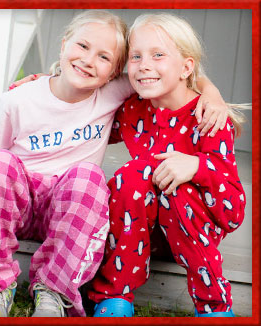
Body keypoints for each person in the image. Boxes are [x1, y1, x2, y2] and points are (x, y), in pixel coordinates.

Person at [0, 10, 228, 318]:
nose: (89, 60)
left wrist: (213, 94)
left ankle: (53, 292)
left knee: (88, 176)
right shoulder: (18, 100)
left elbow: (171, 70)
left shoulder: (111, 93)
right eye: (82, 46)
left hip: (67, 212)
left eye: (104, 57)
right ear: (63, 46)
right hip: (18, 205)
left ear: (115, 72)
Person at [88, 13, 246, 317]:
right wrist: (48, 85)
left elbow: (233, 213)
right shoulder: (132, 109)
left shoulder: (209, 118)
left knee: (177, 187)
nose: (144, 65)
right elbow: (84, 112)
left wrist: (197, 167)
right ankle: (115, 297)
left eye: (158, 55)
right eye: (136, 56)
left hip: (193, 233)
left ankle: (213, 305)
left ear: (187, 67)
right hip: (140, 237)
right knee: (133, 174)